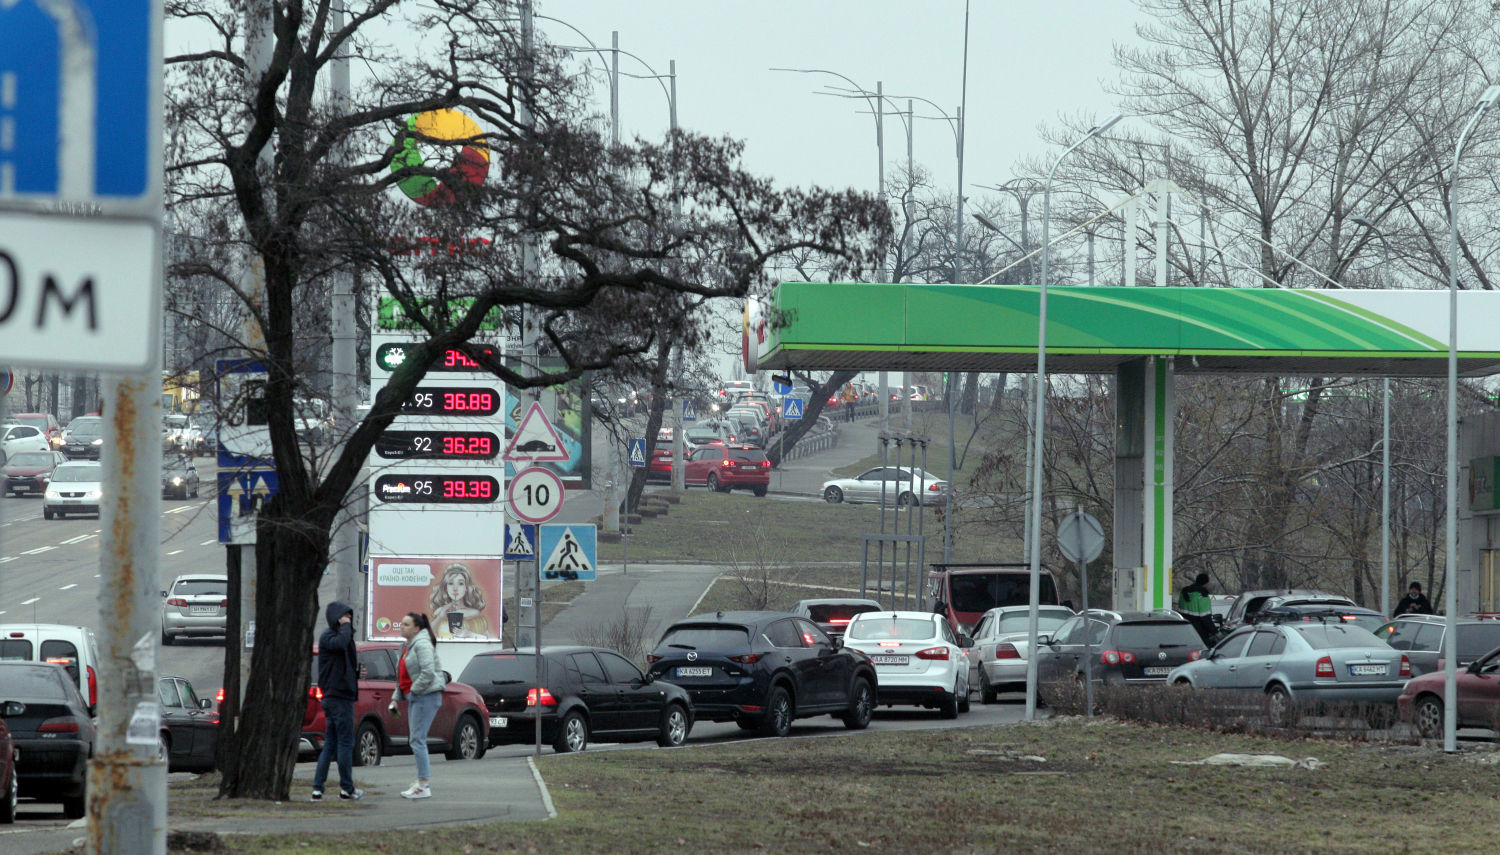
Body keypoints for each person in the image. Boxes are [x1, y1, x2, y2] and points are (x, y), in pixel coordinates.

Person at [392, 612, 446, 799]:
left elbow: (428, 672)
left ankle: (424, 784)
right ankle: (422, 781)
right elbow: (402, 676)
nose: (402, 626)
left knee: (417, 740)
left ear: (416, 628)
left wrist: (414, 691)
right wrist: (396, 697)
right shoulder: (407, 646)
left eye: (406, 624)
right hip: (416, 696)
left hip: (425, 696)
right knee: (415, 739)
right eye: (401, 623)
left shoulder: (422, 644)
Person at [311, 601, 362, 801]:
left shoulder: (342, 638)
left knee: (331, 743)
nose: (348, 620)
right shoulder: (329, 637)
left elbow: (343, 662)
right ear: (336, 618)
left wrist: (356, 673)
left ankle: (318, 788)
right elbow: (339, 645)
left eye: (349, 617)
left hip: (338, 695)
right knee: (345, 742)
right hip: (338, 698)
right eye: (344, 616)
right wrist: (346, 626)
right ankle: (347, 788)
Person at [429, 562, 489, 639]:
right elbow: (427, 636)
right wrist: (440, 617)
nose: (455, 588)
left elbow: (487, 639)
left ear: (466, 588)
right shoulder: (440, 613)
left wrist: (469, 634)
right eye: (450, 583)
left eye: (460, 583)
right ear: (445, 588)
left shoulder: (475, 614)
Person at [1178, 572, 1215, 643]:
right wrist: (1215, 632)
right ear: (1206, 583)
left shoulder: (1184, 592)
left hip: (1184, 630)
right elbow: (1206, 619)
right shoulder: (1202, 596)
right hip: (1199, 634)